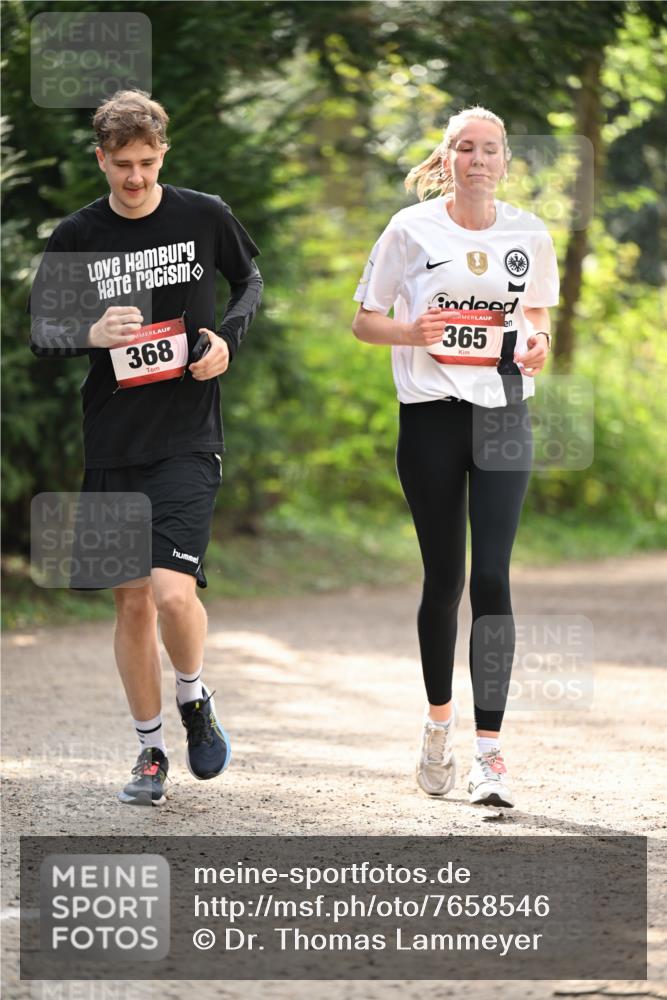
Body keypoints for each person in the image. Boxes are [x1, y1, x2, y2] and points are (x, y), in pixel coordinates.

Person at [28, 90, 262, 806]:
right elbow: (42, 330)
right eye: (122, 164)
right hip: (113, 437)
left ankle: (194, 696)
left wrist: (227, 339)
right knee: (131, 602)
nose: (135, 177)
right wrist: (90, 333)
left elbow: (249, 279)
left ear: (163, 155)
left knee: (171, 592)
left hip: (188, 433)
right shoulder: (78, 235)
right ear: (100, 158)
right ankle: (151, 751)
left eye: (147, 163)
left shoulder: (202, 215)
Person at [352, 106, 559, 808]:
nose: (478, 159)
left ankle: (490, 754)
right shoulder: (410, 229)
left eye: (490, 149)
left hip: (503, 413)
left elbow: (535, 317)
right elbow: (364, 321)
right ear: (446, 159)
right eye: (465, 148)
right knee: (445, 580)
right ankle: (438, 723)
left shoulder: (529, 233)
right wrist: (411, 331)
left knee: (492, 576)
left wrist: (538, 342)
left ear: (505, 161)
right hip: (430, 419)